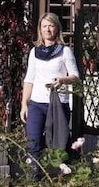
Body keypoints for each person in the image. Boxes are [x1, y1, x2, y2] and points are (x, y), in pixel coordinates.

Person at [21, 12, 79, 177]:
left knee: (59, 143)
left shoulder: (64, 51)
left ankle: (63, 179)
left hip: (58, 104)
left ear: (57, 29)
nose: (47, 29)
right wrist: (24, 104)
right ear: (40, 29)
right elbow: (29, 79)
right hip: (36, 104)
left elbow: (75, 76)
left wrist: (63, 79)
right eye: (44, 26)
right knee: (33, 142)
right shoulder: (34, 52)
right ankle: (33, 179)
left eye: (51, 26)